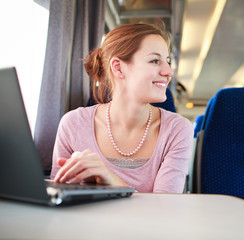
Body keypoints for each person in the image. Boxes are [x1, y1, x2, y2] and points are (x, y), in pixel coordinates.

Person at [50, 23, 194, 193]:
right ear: (118, 68)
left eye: (168, 62)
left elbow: (164, 209)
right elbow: (57, 196)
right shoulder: (73, 124)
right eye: (155, 60)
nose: (169, 71)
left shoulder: (177, 129)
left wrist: (111, 180)